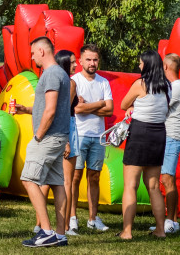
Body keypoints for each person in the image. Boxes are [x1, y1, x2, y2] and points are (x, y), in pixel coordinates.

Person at [13, 36, 71, 248]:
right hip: (58, 137)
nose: (31, 57)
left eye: (33, 53)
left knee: (29, 180)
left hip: (48, 137)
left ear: (42, 51)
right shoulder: (60, 74)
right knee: (57, 184)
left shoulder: (52, 74)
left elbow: (51, 109)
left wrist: (38, 136)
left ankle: (46, 232)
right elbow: (46, 106)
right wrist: (27, 110)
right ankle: (60, 234)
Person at [118, 51, 170, 240]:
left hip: (140, 133)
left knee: (130, 185)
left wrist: (133, 106)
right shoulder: (167, 87)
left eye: (140, 63)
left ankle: (127, 231)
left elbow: (124, 104)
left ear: (147, 65)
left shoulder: (140, 84)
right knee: (154, 186)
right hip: (158, 134)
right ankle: (160, 230)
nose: (139, 66)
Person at [70, 44, 112, 233]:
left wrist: (89, 106)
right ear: (80, 61)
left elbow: (110, 110)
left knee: (94, 177)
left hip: (98, 136)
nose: (92, 63)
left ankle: (93, 218)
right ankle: (72, 217)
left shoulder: (104, 82)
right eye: (88, 59)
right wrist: (100, 104)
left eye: (95, 59)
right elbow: (76, 109)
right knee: (75, 177)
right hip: (78, 134)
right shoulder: (74, 81)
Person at [157, 53, 180, 234]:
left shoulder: (176, 87)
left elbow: (160, 108)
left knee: (167, 179)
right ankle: (171, 222)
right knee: (166, 179)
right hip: (167, 136)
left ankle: (170, 221)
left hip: (172, 137)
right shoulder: (173, 86)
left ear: (166, 67)